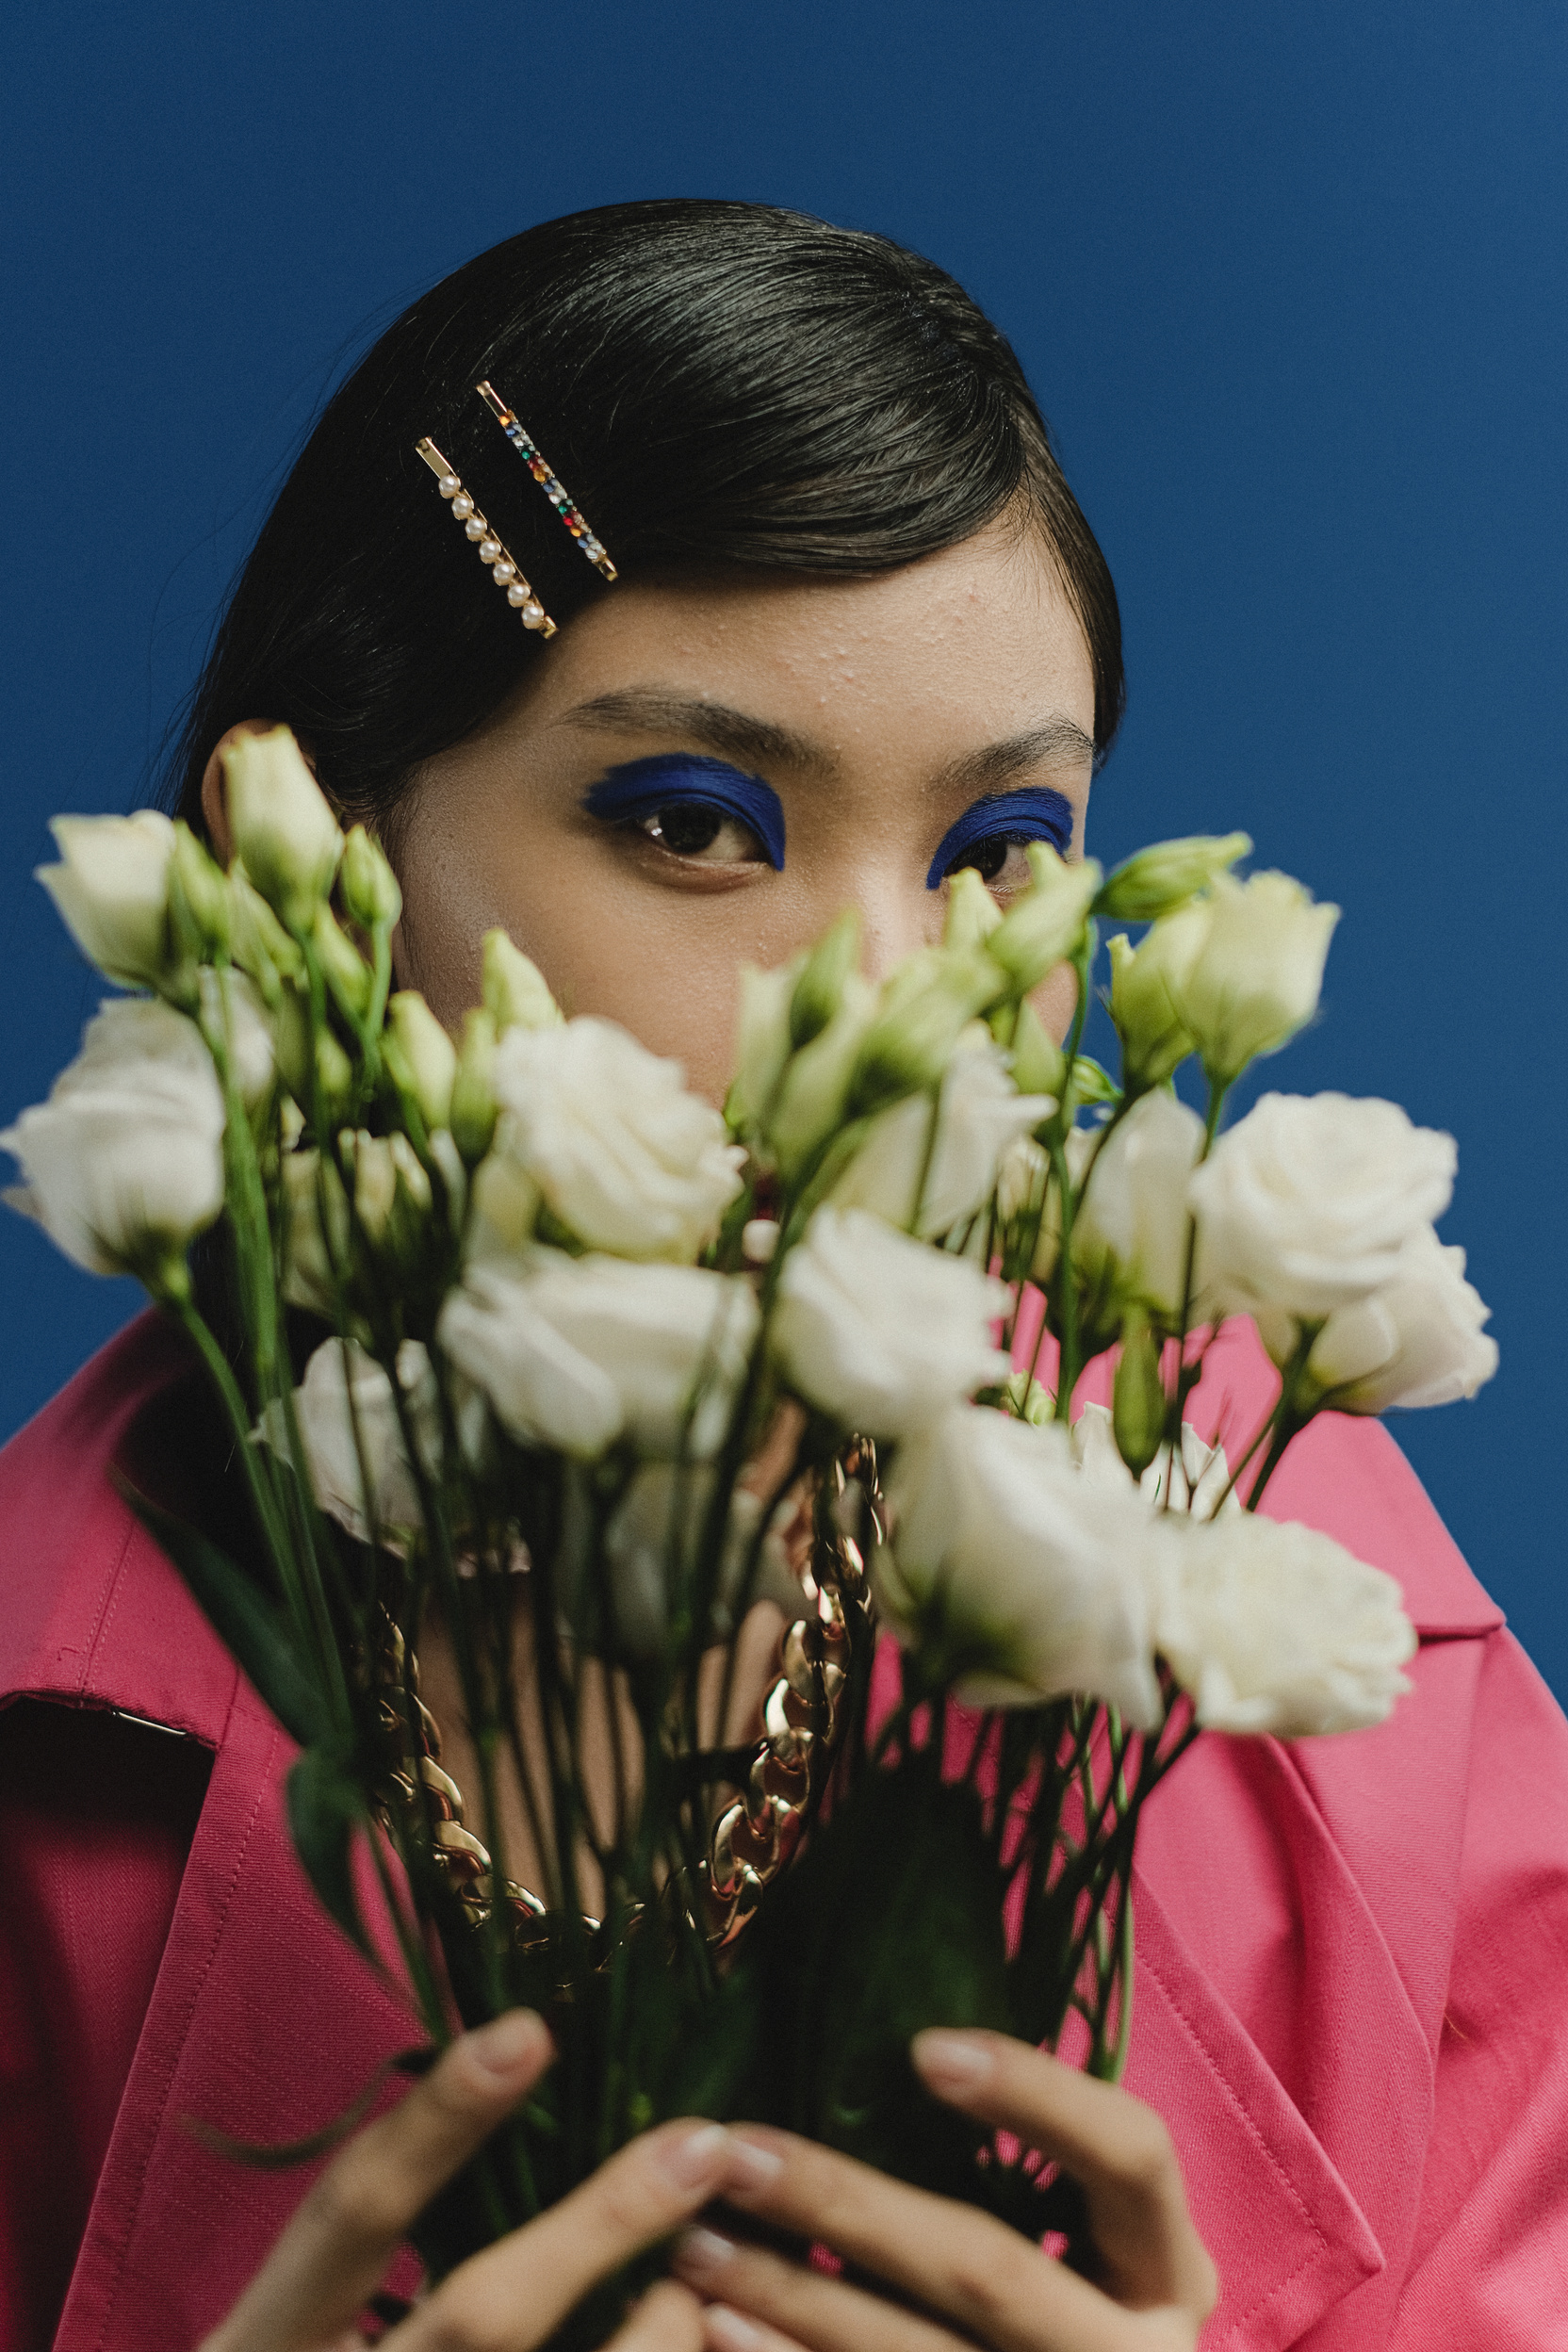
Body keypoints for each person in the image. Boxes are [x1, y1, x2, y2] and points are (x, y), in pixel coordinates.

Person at [3, 200, 1566, 2352]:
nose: (890, 998)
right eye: (692, 819)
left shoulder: (1291, 1572)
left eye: (996, 855)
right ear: (325, 857)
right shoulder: (42, 1723)